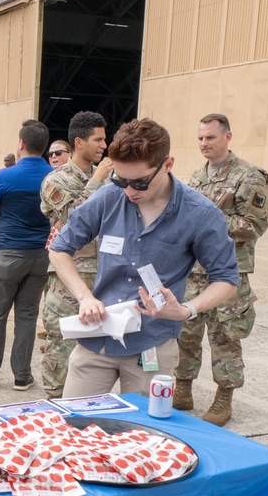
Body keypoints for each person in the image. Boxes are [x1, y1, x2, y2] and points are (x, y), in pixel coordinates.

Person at [50, 118, 239, 397]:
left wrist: (188, 310)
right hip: (98, 338)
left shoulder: (200, 214)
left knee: (142, 434)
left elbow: (226, 279)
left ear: (167, 164)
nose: (129, 191)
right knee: (76, 426)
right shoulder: (109, 197)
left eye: (139, 183)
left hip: (152, 343)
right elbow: (59, 248)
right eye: (121, 179)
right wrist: (84, 297)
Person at [175, 113, 268, 426]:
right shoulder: (197, 175)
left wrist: (209, 224)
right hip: (193, 269)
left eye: (211, 137)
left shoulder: (248, 176)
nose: (204, 143)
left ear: (228, 137)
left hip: (227, 271)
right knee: (185, 332)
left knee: (224, 335)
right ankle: (183, 388)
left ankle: (223, 397)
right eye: (201, 138)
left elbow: (255, 225)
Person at [0, 120, 52, 390]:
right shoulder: (53, 176)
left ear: (21, 143)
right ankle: (22, 375)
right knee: (27, 316)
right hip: (40, 255)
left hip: (8, 253)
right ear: (45, 147)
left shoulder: (5, 176)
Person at [38, 111, 113, 398]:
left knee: (99, 350)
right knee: (61, 342)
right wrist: (95, 181)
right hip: (69, 279)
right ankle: (55, 401)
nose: (103, 146)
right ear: (79, 142)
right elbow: (71, 218)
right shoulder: (56, 180)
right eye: (98, 139)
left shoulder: (111, 180)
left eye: (105, 139)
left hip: (105, 275)